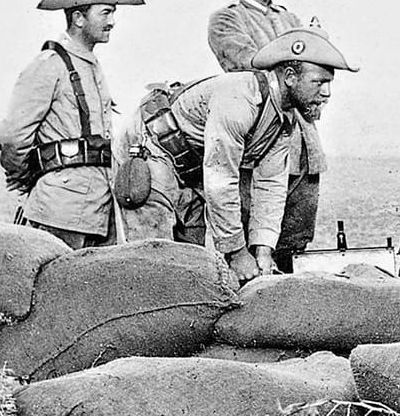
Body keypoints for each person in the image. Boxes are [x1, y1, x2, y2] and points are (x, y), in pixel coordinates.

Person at [116, 26, 358, 284]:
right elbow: (221, 181)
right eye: (319, 82)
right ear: (289, 76)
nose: (326, 93)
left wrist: (263, 250)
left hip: (192, 167)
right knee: (154, 262)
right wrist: (238, 253)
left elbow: (271, 185)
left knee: (199, 263)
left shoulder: (284, 119)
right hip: (154, 152)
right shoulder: (239, 100)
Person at [0, 0, 143, 248]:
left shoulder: (90, 64)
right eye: (105, 13)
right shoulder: (49, 64)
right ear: (78, 17)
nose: (112, 21)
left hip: (99, 209)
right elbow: (12, 136)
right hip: (60, 211)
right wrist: (25, 177)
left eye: (113, 13)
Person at [206, 0, 323, 271]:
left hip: (303, 151)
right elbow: (249, 65)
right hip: (254, 151)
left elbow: (314, 80)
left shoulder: (290, 20)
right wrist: (309, 52)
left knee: (293, 249)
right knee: (247, 248)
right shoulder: (227, 20)